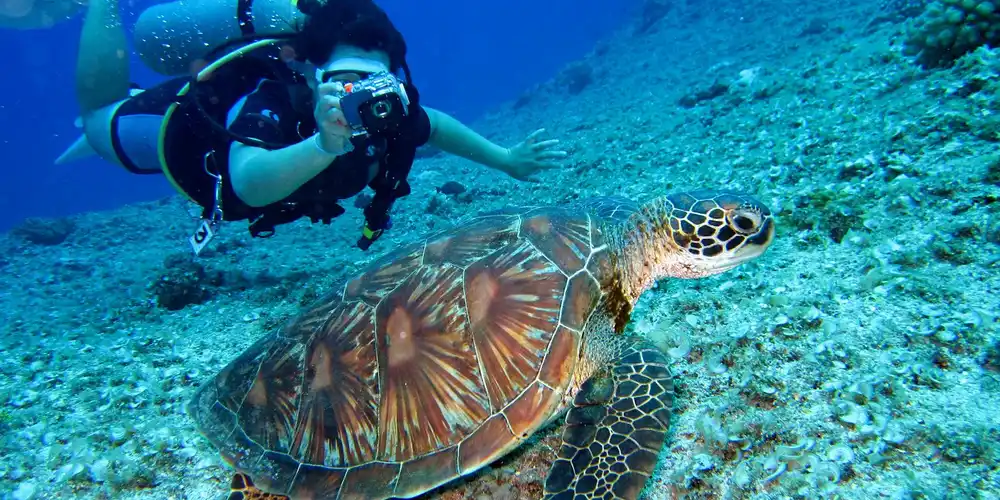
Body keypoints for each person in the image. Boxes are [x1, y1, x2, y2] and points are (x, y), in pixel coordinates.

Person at [57, 0, 568, 253]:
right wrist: (323, 145)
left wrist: (505, 160)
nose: (359, 98)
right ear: (309, 73)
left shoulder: (387, 111)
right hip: (178, 132)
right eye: (344, 81)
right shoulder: (274, 101)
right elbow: (250, 182)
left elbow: (432, 125)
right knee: (99, 122)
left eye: (375, 82)